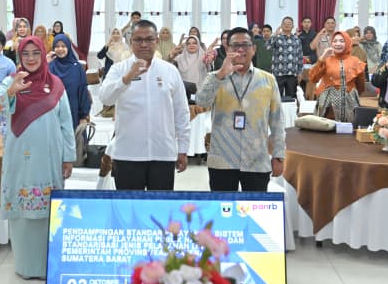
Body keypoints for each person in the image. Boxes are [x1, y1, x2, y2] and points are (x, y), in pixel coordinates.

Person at [0, 36, 75, 279]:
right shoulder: (11, 80)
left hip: (49, 157)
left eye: (35, 53)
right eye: (25, 54)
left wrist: (68, 157)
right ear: (19, 56)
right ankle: (26, 266)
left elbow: (65, 123)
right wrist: (11, 92)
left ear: (42, 54)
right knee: (23, 215)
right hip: (20, 158)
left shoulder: (56, 84)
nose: (30, 58)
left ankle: (49, 264)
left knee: (48, 212)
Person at [100, 20, 190, 191]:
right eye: (138, 40)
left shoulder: (169, 71)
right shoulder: (119, 69)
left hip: (163, 154)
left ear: (156, 41)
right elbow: (106, 99)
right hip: (128, 154)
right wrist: (126, 79)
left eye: (149, 39)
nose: (144, 44)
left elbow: (181, 112)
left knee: (159, 212)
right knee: (129, 211)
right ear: (130, 41)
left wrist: (183, 148)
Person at [195, 27, 285, 192]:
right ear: (227, 49)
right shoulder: (215, 77)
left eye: (245, 44)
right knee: (223, 212)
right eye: (235, 45)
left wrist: (279, 155)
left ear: (254, 49)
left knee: (254, 213)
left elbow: (277, 120)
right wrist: (221, 75)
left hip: (256, 159)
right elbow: (201, 101)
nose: (240, 49)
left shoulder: (268, 80)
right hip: (222, 159)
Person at [308, 31, 366, 121]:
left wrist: (350, 93)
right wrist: (321, 58)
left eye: (341, 41)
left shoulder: (355, 61)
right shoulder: (326, 60)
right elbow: (313, 78)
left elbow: (361, 86)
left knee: (349, 131)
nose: (337, 44)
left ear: (347, 42)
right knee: (326, 130)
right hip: (328, 106)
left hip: (350, 104)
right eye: (335, 41)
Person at [49, 34, 91, 129]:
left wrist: (83, 116)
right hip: (54, 114)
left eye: (63, 46)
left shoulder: (77, 68)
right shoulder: (50, 67)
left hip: (74, 112)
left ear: (68, 47)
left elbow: (83, 92)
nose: (60, 49)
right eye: (57, 46)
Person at [268, 17, 302, 99]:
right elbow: (267, 47)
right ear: (281, 25)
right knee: (276, 98)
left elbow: (300, 56)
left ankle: (291, 112)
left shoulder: (297, 39)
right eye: (285, 23)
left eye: (289, 23)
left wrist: (300, 72)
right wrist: (275, 34)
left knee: (291, 98)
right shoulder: (277, 38)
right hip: (278, 73)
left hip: (292, 73)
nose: (287, 25)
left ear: (293, 26)